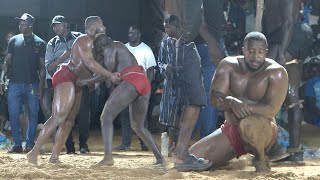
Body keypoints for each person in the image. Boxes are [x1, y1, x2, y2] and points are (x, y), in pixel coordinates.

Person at [26, 16, 121, 165]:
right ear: (94, 26)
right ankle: (33, 153)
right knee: (58, 117)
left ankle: (54, 157)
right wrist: (109, 75)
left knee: (69, 121)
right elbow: (89, 63)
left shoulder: (97, 46)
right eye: (102, 25)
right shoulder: (84, 40)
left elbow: (96, 73)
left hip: (77, 82)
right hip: (66, 76)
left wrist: (105, 75)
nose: (105, 27)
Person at [189, 32, 288, 172]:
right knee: (193, 159)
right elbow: (213, 99)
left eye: (260, 52)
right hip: (233, 129)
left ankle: (260, 159)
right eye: (251, 51)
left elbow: (272, 109)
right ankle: (227, 159)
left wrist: (244, 107)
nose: (255, 56)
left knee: (248, 124)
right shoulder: (228, 65)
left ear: (266, 52)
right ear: (243, 50)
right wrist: (231, 102)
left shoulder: (276, 72)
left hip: (263, 131)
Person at [77, 32, 164, 167]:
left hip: (131, 80)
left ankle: (107, 158)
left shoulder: (110, 47)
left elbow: (107, 74)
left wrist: (85, 81)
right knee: (138, 126)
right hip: (143, 81)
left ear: (99, 47)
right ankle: (160, 158)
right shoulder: (120, 46)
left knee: (105, 116)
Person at [158, 15, 212, 171]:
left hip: (184, 89)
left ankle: (179, 153)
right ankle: (163, 153)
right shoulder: (165, 43)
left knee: (181, 121)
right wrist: (165, 67)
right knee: (167, 123)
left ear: (177, 27)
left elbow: (195, 71)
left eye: (168, 27)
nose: (165, 30)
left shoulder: (189, 44)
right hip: (170, 87)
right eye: (165, 27)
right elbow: (160, 62)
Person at [262, 0, 313, 162]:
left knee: (268, 91)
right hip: (285, 37)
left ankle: (274, 148)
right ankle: (293, 150)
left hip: (287, 38)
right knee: (291, 96)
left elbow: (289, 22)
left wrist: (282, 52)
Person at [0, 13, 46, 153]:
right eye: (20, 23)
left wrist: (42, 87)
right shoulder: (14, 40)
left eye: (24, 24)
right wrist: (2, 78)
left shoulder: (40, 43)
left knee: (33, 114)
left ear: (31, 25)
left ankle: (30, 143)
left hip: (32, 84)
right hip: (14, 84)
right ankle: (17, 144)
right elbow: (7, 61)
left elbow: (42, 67)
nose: (21, 26)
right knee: (13, 114)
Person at [44, 15, 90, 154]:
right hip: (63, 84)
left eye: (58, 24)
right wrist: (64, 57)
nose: (56, 28)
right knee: (64, 116)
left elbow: (89, 57)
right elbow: (49, 67)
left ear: (66, 25)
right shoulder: (52, 43)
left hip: (80, 81)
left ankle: (83, 145)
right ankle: (69, 147)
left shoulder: (79, 37)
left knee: (83, 115)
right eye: (54, 26)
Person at [114, 25, 157, 151]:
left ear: (139, 35)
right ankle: (125, 144)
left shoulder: (146, 49)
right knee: (125, 116)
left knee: (141, 118)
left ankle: (144, 144)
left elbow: (151, 70)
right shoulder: (124, 48)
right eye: (129, 33)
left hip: (140, 88)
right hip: (125, 87)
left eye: (133, 33)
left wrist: (146, 86)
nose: (131, 35)